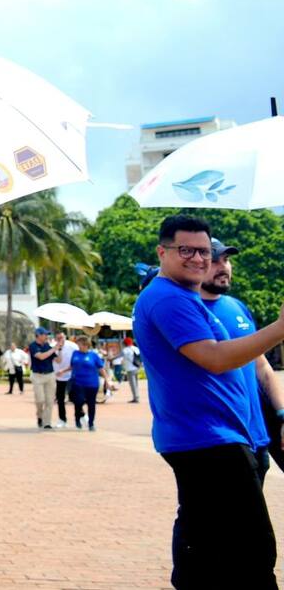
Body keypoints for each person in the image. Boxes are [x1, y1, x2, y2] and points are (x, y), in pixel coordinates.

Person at [132, 214, 284, 588]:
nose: (199, 259)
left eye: (204, 251)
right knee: (252, 550)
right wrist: (280, 328)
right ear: (162, 252)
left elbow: (252, 365)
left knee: (205, 546)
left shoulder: (186, 297)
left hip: (215, 439)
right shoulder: (168, 298)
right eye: (187, 250)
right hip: (208, 441)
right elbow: (214, 358)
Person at [198, 238, 284, 486]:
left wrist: (281, 414)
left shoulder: (237, 307)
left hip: (257, 437)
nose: (223, 266)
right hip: (221, 440)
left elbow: (262, 366)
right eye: (215, 261)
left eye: (226, 260)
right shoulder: (188, 311)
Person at [68, 336, 105, 431]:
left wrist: (107, 380)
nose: (78, 345)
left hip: (92, 383)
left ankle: (91, 423)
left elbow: (101, 368)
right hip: (77, 382)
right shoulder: (75, 353)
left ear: (85, 344)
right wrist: (62, 371)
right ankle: (78, 418)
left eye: (79, 343)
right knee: (78, 401)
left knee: (91, 404)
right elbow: (72, 366)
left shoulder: (93, 355)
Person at [28, 327, 56, 429]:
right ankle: (40, 416)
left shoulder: (48, 346)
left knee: (49, 401)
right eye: (44, 334)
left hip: (50, 375)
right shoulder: (33, 346)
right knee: (40, 400)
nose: (46, 336)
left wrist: (60, 348)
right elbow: (41, 356)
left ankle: (47, 422)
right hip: (38, 376)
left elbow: (58, 360)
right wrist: (54, 349)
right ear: (38, 335)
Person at [52, 331, 79, 428]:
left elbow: (78, 358)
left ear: (65, 337)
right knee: (60, 399)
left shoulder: (73, 346)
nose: (60, 340)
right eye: (58, 338)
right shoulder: (53, 347)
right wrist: (58, 349)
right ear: (55, 339)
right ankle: (62, 419)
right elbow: (57, 360)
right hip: (59, 377)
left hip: (71, 376)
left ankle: (81, 415)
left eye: (62, 337)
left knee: (75, 398)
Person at [122, 337, 142, 403]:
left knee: (132, 384)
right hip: (136, 367)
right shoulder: (136, 348)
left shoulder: (125, 350)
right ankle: (136, 396)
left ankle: (136, 398)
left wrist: (111, 358)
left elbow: (119, 356)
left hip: (130, 369)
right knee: (136, 383)